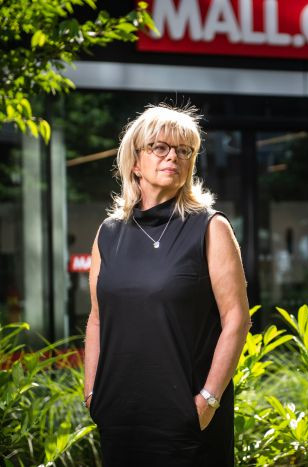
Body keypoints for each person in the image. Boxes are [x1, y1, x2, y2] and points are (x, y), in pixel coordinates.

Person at [83, 103, 251, 466]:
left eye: (184, 150)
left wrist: (208, 400)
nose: (173, 156)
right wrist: (92, 393)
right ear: (135, 161)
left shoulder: (210, 227)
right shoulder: (108, 234)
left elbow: (237, 320)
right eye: (160, 147)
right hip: (119, 416)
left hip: (187, 421)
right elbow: (97, 319)